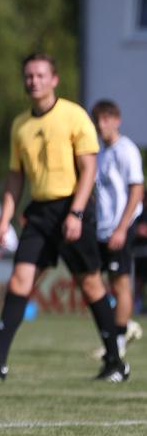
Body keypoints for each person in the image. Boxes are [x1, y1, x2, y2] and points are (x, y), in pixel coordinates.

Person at [0, 53, 127, 383]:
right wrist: (4, 216)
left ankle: (116, 362)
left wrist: (76, 212)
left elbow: (89, 168)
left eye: (40, 75)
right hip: (38, 212)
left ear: (54, 80)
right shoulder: (20, 124)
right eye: (29, 76)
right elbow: (15, 176)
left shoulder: (74, 116)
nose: (33, 81)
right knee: (19, 281)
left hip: (72, 208)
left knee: (90, 284)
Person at [90, 100, 144, 359]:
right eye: (97, 120)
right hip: (102, 229)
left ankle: (119, 340)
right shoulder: (101, 153)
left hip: (119, 228)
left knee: (121, 283)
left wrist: (122, 228)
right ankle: (123, 326)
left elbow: (136, 189)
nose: (101, 125)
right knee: (92, 281)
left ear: (116, 120)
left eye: (105, 119)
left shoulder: (126, 150)